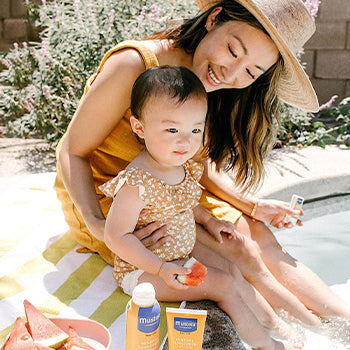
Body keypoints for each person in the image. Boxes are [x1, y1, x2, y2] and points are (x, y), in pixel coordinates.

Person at [54, 0, 350, 329]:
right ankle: (294, 336)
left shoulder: (215, 83)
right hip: (114, 202)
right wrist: (99, 227)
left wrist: (251, 206)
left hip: (172, 187)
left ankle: (342, 325)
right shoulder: (135, 65)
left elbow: (195, 163)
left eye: (252, 71)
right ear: (213, 19)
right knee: (236, 258)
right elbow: (71, 151)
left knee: (258, 239)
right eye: (233, 51)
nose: (232, 74)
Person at [100, 65, 304, 349]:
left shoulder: (176, 164)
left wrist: (209, 221)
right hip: (142, 272)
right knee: (222, 284)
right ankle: (267, 345)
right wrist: (159, 269)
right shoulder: (137, 183)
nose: (185, 140)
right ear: (140, 128)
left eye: (195, 129)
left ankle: (272, 322)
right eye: (172, 129)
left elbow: (184, 202)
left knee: (231, 269)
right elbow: (115, 236)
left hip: (176, 256)